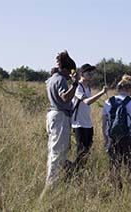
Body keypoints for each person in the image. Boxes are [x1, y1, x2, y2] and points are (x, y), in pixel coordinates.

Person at [40, 51, 78, 199]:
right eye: (72, 71)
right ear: (68, 69)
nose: (72, 74)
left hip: (53, 116)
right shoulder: (61, 79)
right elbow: (65, 97)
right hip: (60, 116)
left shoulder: (51, 79)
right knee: (57, 155)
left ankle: (53, 185)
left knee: (54, 153)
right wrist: (74, 84)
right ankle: (49, 190)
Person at [102, 74, 131, 189]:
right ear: (129, 89)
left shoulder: (108, 102)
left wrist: (106, 138)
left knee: (114, 164)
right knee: (130, 164)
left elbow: (104, 123)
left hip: (112, 137)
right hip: (129, 137)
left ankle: (116, 188)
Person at [71, 63, 108, 171]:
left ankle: (78, 172)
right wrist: (101, 92)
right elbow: (87, 101)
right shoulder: (78, 86)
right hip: (78, 124)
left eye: (92, 72)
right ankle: (74, 172)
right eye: (88, 72)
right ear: (82, 74)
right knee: (81, 151)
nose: (91, 74)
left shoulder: (88, 87)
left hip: (88, 124)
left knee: (87, 151)